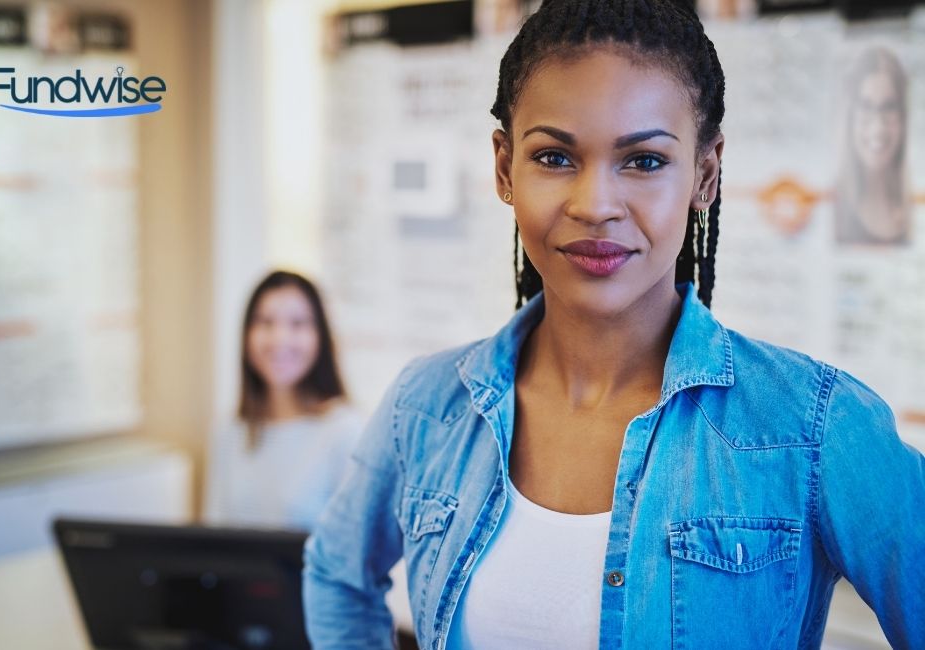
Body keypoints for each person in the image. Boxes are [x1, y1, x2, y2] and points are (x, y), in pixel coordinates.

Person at [303, 2, 925, 649]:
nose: (596, 205)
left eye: (645, 161)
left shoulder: (812, 425)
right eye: (554, 157)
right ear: (503, 167)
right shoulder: (427, 405)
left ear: (705, 173)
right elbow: (336, 576)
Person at [203, 270, 363, 531]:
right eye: (265, 322)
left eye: (298, 324)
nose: (280, 338)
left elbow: (355, 552)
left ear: (320, 337)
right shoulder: (229, 430)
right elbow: (213, 535)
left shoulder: (344, 431)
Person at [835, 47, 912, 246]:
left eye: (889, 107)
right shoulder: (830, 207)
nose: (878, 126)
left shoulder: (915, 207)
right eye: (866, 106)